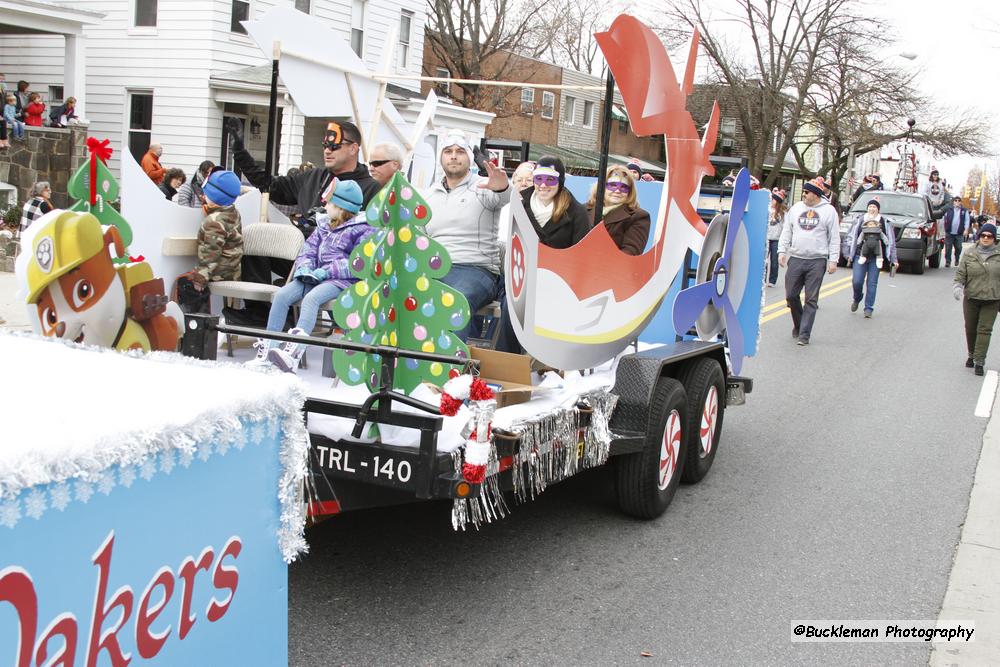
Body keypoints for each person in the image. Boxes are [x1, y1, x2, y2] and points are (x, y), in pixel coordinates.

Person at [253, 180, 375, 372]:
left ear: (341, 207)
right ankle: (270, 348)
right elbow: (308, 250)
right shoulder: (323, 225)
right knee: (281, 296)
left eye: (329, 203)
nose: (324, 206)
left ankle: (294, 354)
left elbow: (358, 263)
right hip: (314, 275)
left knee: (311, 300)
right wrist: (305, 268)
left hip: (341, 280)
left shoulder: (363, 229)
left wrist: (325, 272)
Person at [424, 132, 511, 342]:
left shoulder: (483, 186)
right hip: (435, 268)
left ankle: (449, 369)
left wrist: (503, 186)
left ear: (469, 158)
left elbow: (503, 196)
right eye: (448, 151)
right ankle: (409, 367)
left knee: (453, 300)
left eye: (460, 151)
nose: (453, 156)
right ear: (441, 158)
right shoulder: (428, 195)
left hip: (476, 269)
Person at [230, 118, 381, 217]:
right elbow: (270, 185)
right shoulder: (313, 177)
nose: (327, 151)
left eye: (334, 146)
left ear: (353, 148)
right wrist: (240, 153)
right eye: (325, 146)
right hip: (302, 254)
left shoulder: (372, 189)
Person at [778, 178, 840, 345]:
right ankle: (798, 325)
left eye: (807, 192)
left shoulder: (829, 211)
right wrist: (782, 251)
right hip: (797, 257)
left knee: (811, 299)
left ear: (816, 194)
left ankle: (804, 335)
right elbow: (787, 230)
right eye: (803, 192)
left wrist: (833, 260)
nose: (803, 194)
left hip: (817, 260)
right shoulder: (796, 208)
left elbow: (834, 237)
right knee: (791, 295)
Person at [954, 222, 1000, 376]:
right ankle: (971, 354)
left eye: (989, 236)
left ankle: (979, 361)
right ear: (979, 236)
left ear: (994, 238)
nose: (986, 238)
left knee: (984, 330)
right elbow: (961, 272)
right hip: (972, 297)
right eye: (983, 235)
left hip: (992, 299)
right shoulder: (970, 253)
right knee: (970, 328)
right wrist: (958, 286)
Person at [518, 156, 591, 249]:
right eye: (539, 178)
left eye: (550, 179)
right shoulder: (520, 208)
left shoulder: (577, 212)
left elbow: (581, 252)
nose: (543, 185)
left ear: (560, 182)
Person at [192, 170, 243, 291]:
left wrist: (199, 279)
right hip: (233, 272)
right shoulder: (233, 213)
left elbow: (210, 253)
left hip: (218, 275)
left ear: (213, 195)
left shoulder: (214, 221)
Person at [846, 199, 898, 318]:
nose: (872, 209)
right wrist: (848, 253)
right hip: (860, 255)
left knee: (872, 283)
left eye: (874, 207)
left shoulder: (884, 222)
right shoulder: (859, 221)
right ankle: (857, 297)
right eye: (870, 207)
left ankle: (868, 308)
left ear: (878, 209)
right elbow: (850, 237)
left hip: (876, 257)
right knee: (857, 281)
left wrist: (893, 259)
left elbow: (890, 242)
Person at [586, 164, 650, 255]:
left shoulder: (638, 216)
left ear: (630, 192)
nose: (617, 191)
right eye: (612, 185)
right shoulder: (583, 210)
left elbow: (631, 252)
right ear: (601, 186)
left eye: (624, 187)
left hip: (610, 267)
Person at [941, 196, 970, 267]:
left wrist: (966, 230)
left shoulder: (964, 210)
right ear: (953, 202)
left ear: (960, 202)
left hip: (959, 233)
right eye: (955, 200)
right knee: (948, 248)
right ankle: (948, 261)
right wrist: (942, 230)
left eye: (959, 200)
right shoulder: (949, 210)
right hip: (949, 232)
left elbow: (967, 220)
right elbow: (943, 219)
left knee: (959, 247)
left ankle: (957, 259)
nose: (957, 202)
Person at [766, 188, 787, 287]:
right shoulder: (767, 209)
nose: (772, 201)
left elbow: (785, 226)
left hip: (776, 239)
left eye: (774, 200)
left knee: (774, 261)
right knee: (764, 260)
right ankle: (762, 278)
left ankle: (772, 280)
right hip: (766, 237)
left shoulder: (782, 213)